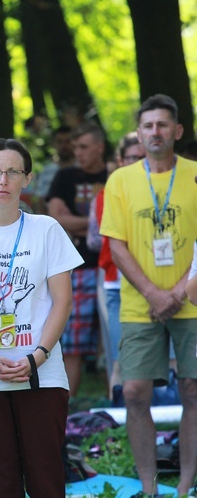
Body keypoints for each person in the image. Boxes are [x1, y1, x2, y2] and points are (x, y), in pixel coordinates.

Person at [0, 138, 82, 497]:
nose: (3, 180)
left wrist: (37, 356)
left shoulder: (47, 229)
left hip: (41, 371)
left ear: (27, 178)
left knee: (46, 477)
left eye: (13, 172)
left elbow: (62, 302)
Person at [100, 94, 197, 498]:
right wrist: (155, 294)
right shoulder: (120, 180)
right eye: (147, 126)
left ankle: (187, 484)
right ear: (138, 134)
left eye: (162, 125)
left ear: (177, 131)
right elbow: (116, 244)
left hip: (191, 301)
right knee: (136, 391)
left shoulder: (194, 174)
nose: (155, 132)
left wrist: (178, 293)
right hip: (140, 304)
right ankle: (149, 487)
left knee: (194, 389)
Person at [47, 122, 108, 397]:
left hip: (111, 267)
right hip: (77, 267)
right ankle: (69, 408)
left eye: (84, 147)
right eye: (75, 148)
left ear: (100, 147)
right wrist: (98, 224)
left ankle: (116, 404)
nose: (78, 153)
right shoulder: (65, 176)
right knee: (72, 342)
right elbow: (56, 218)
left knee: (112, 340)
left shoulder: (113, 176)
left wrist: (80, 225)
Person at [87, 133, 146, 396]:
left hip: (166, 285)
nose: (139, 163)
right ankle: (119, 428)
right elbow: (103, 241)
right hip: (117, 284)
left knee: (170, 362)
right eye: (133, 157)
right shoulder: (107, 193)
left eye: (143, 157)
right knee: (120, 359)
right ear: (120, 160)